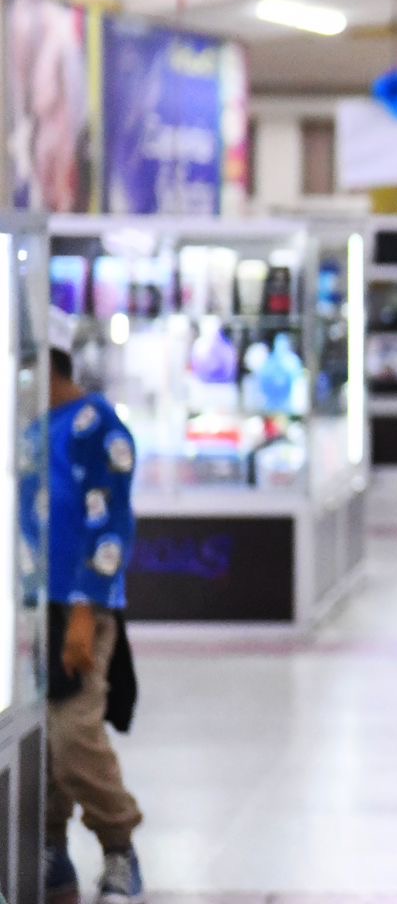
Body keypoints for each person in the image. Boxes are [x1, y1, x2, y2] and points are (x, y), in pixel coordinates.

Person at [29, 308, 145, 904]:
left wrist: (83, 611)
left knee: (75, 736)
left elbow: (112, 524)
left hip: (80, 609)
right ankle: (48, 850)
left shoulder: (98, 426)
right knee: (40, 738)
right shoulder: (26, 427)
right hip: (27, 611)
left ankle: (119, 846)